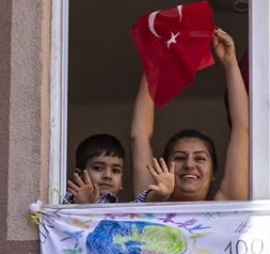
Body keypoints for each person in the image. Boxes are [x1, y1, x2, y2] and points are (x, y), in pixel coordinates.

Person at [129, 27, 249, 203]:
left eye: (200, 158)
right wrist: (153, 62)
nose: (189, 165)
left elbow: (242, 128)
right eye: (179, 158)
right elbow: (138, 136)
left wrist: (230, 62)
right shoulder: (151, 206)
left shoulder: (225, 206)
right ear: (164, 168)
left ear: (214, 172)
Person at [64, 133, 126, 204]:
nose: (108, 175)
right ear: (79, 176)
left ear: (121, 181)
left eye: (115, 170)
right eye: (98, 168)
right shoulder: (73, 199)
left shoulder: (125, 210)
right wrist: (81, 204)